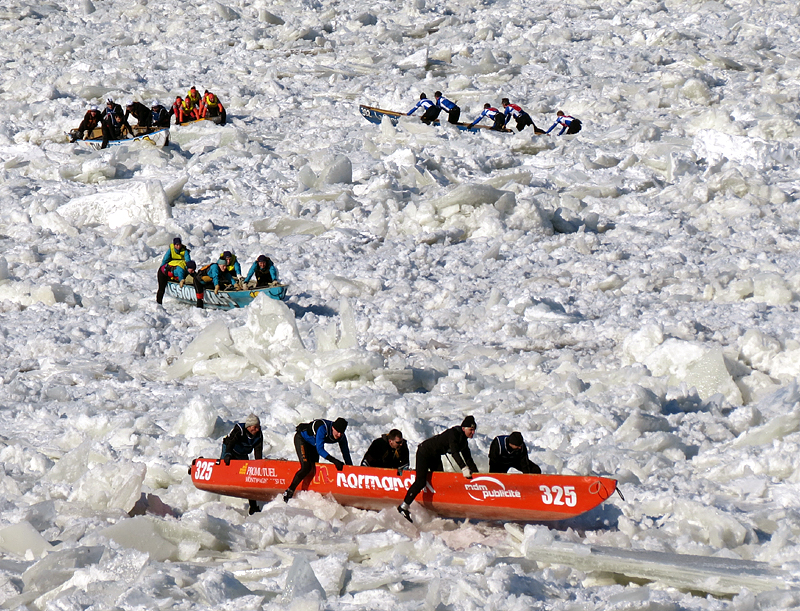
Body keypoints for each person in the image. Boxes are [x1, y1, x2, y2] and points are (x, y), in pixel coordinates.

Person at [397, 416, 478, 523]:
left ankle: (437, 506)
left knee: (440, 481)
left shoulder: (463, 442)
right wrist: (463, 468)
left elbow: (468, 459)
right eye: (471, 430)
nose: (473, 432)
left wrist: (477, 476)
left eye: (474, 430)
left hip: (435, 455)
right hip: (424, 452)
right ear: (463, 428)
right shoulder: (453, 434)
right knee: (421, 481)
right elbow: (454, 452)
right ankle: (404, 507)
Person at [283, 418, 352, 502]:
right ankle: (289, 491)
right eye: (337, 431)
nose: (339, 434)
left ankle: (309, 490)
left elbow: (346, 453)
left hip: (313, 444)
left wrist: (350, 469)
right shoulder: (323, 428)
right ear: (333, 428)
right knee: (306, 467)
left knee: (314, 468)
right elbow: (320, 450)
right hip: (301, 439)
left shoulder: (341, 436)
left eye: (341, 432)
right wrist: (334, 461)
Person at [220, 414, 263, 515]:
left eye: (258, 427)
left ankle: (253, 506)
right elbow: (231, 442)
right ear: (248, 427)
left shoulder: (259, 435)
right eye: (255, 427)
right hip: (230, 449)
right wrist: (227, 454)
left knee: (248, 479)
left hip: (242, 454)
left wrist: (259, 464)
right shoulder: (240, 430)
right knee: (224, 466)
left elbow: (258, 452)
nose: (257, 429)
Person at [156, 237, 191, 304]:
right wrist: (161, 269)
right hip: (168, 270)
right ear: (174, 245)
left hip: (178, 268)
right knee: (161, 289)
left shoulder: (185, 251)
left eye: (179, 244)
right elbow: (165, 260)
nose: (178, 246)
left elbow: (188, 261)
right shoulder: (171, 250)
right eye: (176, 245)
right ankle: (158, 304)